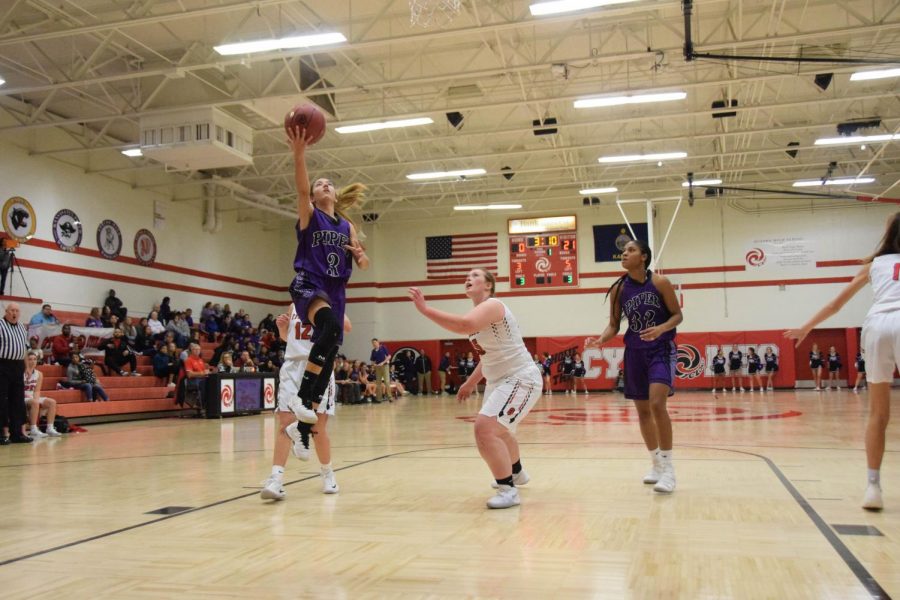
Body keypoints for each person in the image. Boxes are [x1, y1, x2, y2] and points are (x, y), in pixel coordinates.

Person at [785, 211, 900, 511]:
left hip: (877, 325)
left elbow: (837, 303)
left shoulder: (874, 264)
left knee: (878, 414)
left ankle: (873, 487)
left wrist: (806, 327)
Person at [408, 269, 543, 509]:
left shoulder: (493, 304)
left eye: (475, 275)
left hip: (520, 377)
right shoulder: (480, 314)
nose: (468, 278)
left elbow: (463, 325)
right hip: (499, 380)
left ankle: (507, 491)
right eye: (466, 276)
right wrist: (470, 383)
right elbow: (486, 357)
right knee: (501, 431)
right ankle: (517, 473)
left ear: (489, 285)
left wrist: (426, 310)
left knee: (485, 429)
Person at [286, 124, 369, 427]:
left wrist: (361, 256)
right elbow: (300, 187)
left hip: (336, 290)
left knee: (331, 350)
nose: (322, 185)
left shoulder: (346, 226)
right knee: (332, 327)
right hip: (310, 282)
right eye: (318, 183)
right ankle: (300, 397)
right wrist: (299, 155)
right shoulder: (310, 214)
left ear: (334, 194)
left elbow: (363, 263)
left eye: (328, 184)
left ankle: (303, 425)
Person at [585, 240, 683, 494]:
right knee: (642, 412)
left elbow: (677, 316)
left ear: (644, 257)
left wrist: (661, 328)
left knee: (657, 404)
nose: (625, 254)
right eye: (624, 250)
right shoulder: (619, 289)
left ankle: (669, 470)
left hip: (661, 349)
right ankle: (656, 464)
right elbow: (614, 324)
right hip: (635, 353)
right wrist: (601, 339)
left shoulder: (660, 283)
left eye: (631, 250)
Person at [261, 307, 351, 501]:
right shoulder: (294, 305)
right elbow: (291, 340)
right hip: (293, 366)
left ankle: (327, 473)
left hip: (318, 365)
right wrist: (282, 330)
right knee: (285, 424)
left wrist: (332, 310)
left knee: (317, 427)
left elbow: (346, 326)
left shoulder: (326, 301)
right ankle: (275, 479)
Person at [0, 302, 33, 444]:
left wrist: (26, 367)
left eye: (17, 311)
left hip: (18, 365)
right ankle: (2, 433)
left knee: (18, 400)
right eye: (12, 310)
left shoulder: (21, 327)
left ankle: (17, 433)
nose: (14, 313)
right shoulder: (0, 325)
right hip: (2, 365)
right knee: (1, 400)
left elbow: (24, 349)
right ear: (6, 312)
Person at [23, 351, 61, 438]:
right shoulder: (21, 372)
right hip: (22, 396)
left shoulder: (39, 374)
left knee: (52, 402)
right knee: (34, 403)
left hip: (31, 396)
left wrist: (36, 400)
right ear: (26, 361)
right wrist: (35, 402)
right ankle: (33, 429)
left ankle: (50, 428)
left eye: (35, 359)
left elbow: (36, 391)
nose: (33, 361)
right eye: (30, 359)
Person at [370, 339, 391, 403]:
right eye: (373, 343)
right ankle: (379, 398)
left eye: (375, 342)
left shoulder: (383, 347)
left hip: (385, 366)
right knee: (378, 383)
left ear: (378, 342)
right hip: (378, 368)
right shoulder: (373, 351)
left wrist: (383, 362)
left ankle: (389, 397)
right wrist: (374, 364)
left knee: (387, 381)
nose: (374, 344)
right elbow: (372, 361)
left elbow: (389, 356)